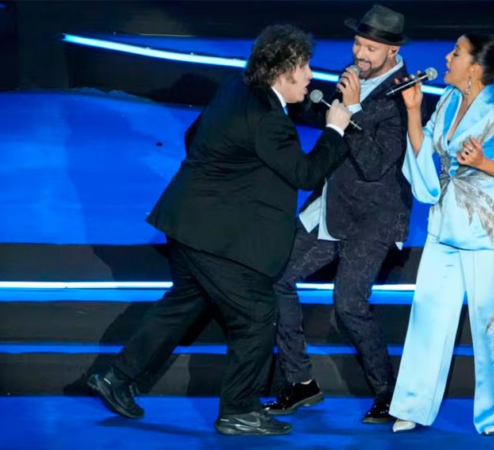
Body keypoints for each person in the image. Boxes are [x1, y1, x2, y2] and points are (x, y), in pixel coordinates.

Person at [87, 24, 353, 436]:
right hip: (214, 238)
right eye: (304, 67)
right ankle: (239, 410)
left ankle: (117, 379)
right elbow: (306, 173)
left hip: (187, 224)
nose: (309, 76)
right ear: (283, 72)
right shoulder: (268, 119)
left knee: (184, 304)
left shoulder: (235, 89)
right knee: (257, 315)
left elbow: (194, 136)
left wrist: (229, 183)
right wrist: (335, 129)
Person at [261, 4, 413, 424]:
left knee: (348, 304)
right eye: (357, 44)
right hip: (330, 204)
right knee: (277, 278)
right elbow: (327, 116)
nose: (360, 54)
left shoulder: (405, 96)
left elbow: (375, 165)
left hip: (374, 217)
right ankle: (299, 381)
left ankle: (390, 395)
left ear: (392, 51)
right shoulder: (354, 76)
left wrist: (352, 109)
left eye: (370, 48)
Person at [388, 33, 494, 435]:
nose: (446, 57)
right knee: (427, 314)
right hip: (444, 225)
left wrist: (484, 162)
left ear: (474, 68)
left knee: (488, 323)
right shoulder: (448, 100)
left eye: (455, 53)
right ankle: (412, 404)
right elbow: (427, 153)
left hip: (487, 232)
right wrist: (413, 110)